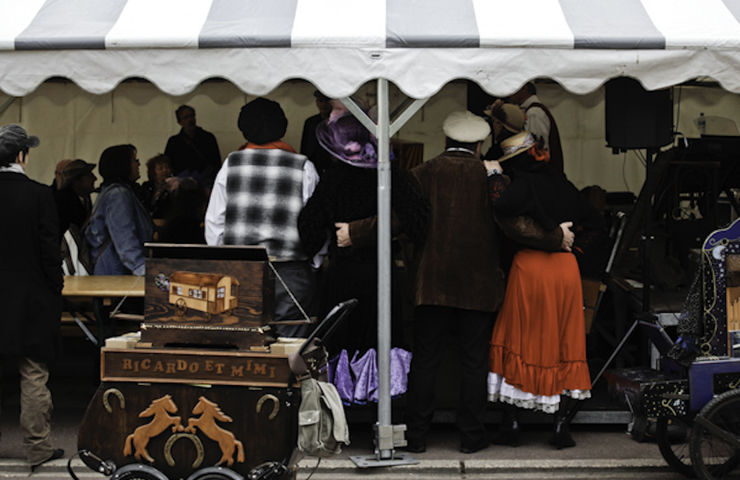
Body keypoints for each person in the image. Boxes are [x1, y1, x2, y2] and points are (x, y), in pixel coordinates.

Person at [404, 111, 568, 455]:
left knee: (426, 359)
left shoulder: (421, 173)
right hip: (478, 287)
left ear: (446, 141)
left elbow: (394, 220)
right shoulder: (491, 176)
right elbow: (517, 226)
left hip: (430, 285)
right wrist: (557, 237)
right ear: (479, 145)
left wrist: (353, 232)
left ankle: (416, 436)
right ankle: (471, 436)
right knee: (473, 361)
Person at [485, 131, 602, 449]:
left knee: (519, 338)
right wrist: (576, 249)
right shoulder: (563, 184)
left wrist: (494, 174)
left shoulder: (521, 184)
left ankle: (511, 424)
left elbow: (503, 204)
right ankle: (560, 426)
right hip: (565, 271)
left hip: (531, 269)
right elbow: (596, 221)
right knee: (564, 341)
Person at [297, 101, 429, 354]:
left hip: (342, 276)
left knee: (340, 348)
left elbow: (308, 227)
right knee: (378, 346)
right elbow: (419, 221)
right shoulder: (392, 174)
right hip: (381, 275)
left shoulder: (334, 177)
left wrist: (326, 244)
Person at [205, 97, 318, 338]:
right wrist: (314, 263)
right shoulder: (303, 167)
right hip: (292, 271)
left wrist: (224, 262)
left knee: (246, 342)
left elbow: (214, 223)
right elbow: (315, 225)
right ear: (283, 127)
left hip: (242, 271)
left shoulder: (230, 165)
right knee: (292, 346)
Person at [0, 124, 65, 470]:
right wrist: (56, 288)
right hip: (30, 298)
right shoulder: (39, 195)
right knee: (33, 373)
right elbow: (49, 252)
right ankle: (38, 448)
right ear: (22, 156)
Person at [85, 144, 153, 276]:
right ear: (123, 164)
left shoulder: (113, 191)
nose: (139, 164)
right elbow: (124, 238)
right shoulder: (118, 194)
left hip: (112, 269)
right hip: (115, 272)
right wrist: (143, 270)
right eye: (134, 160)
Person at [508, 82, 564, 173]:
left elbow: (537, 149)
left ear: (523, 88)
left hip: (540, 175)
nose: (509, 92)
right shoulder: (532, 111)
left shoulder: (534, 113)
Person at [164, 105, 221, 187]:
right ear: (179, 122)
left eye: (192, 116)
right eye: (186, 117)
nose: (190, 120)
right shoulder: (173, 142)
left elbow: (216, 163)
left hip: (205, 184)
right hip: (182, 186)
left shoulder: (208, 138)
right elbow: (168, 165)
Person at [54, 159, 96, 238]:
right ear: (77, 180)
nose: (95, 178)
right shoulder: (62, 202)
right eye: (89, 175)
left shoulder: (85, 198)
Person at [300, 90, 334, 176]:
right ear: (316, 102)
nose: (323, 104)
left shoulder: (339, 123)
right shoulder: (310, 122)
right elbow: (305, 147)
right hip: (314, 168)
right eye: (320, 101)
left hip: (333, 168)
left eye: (326, 101)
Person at [138, 154, 174, 219]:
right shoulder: (146, 186)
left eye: (167, 167)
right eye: (161, 168)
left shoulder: (174, 186)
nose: (164, 170)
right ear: (153, 172)